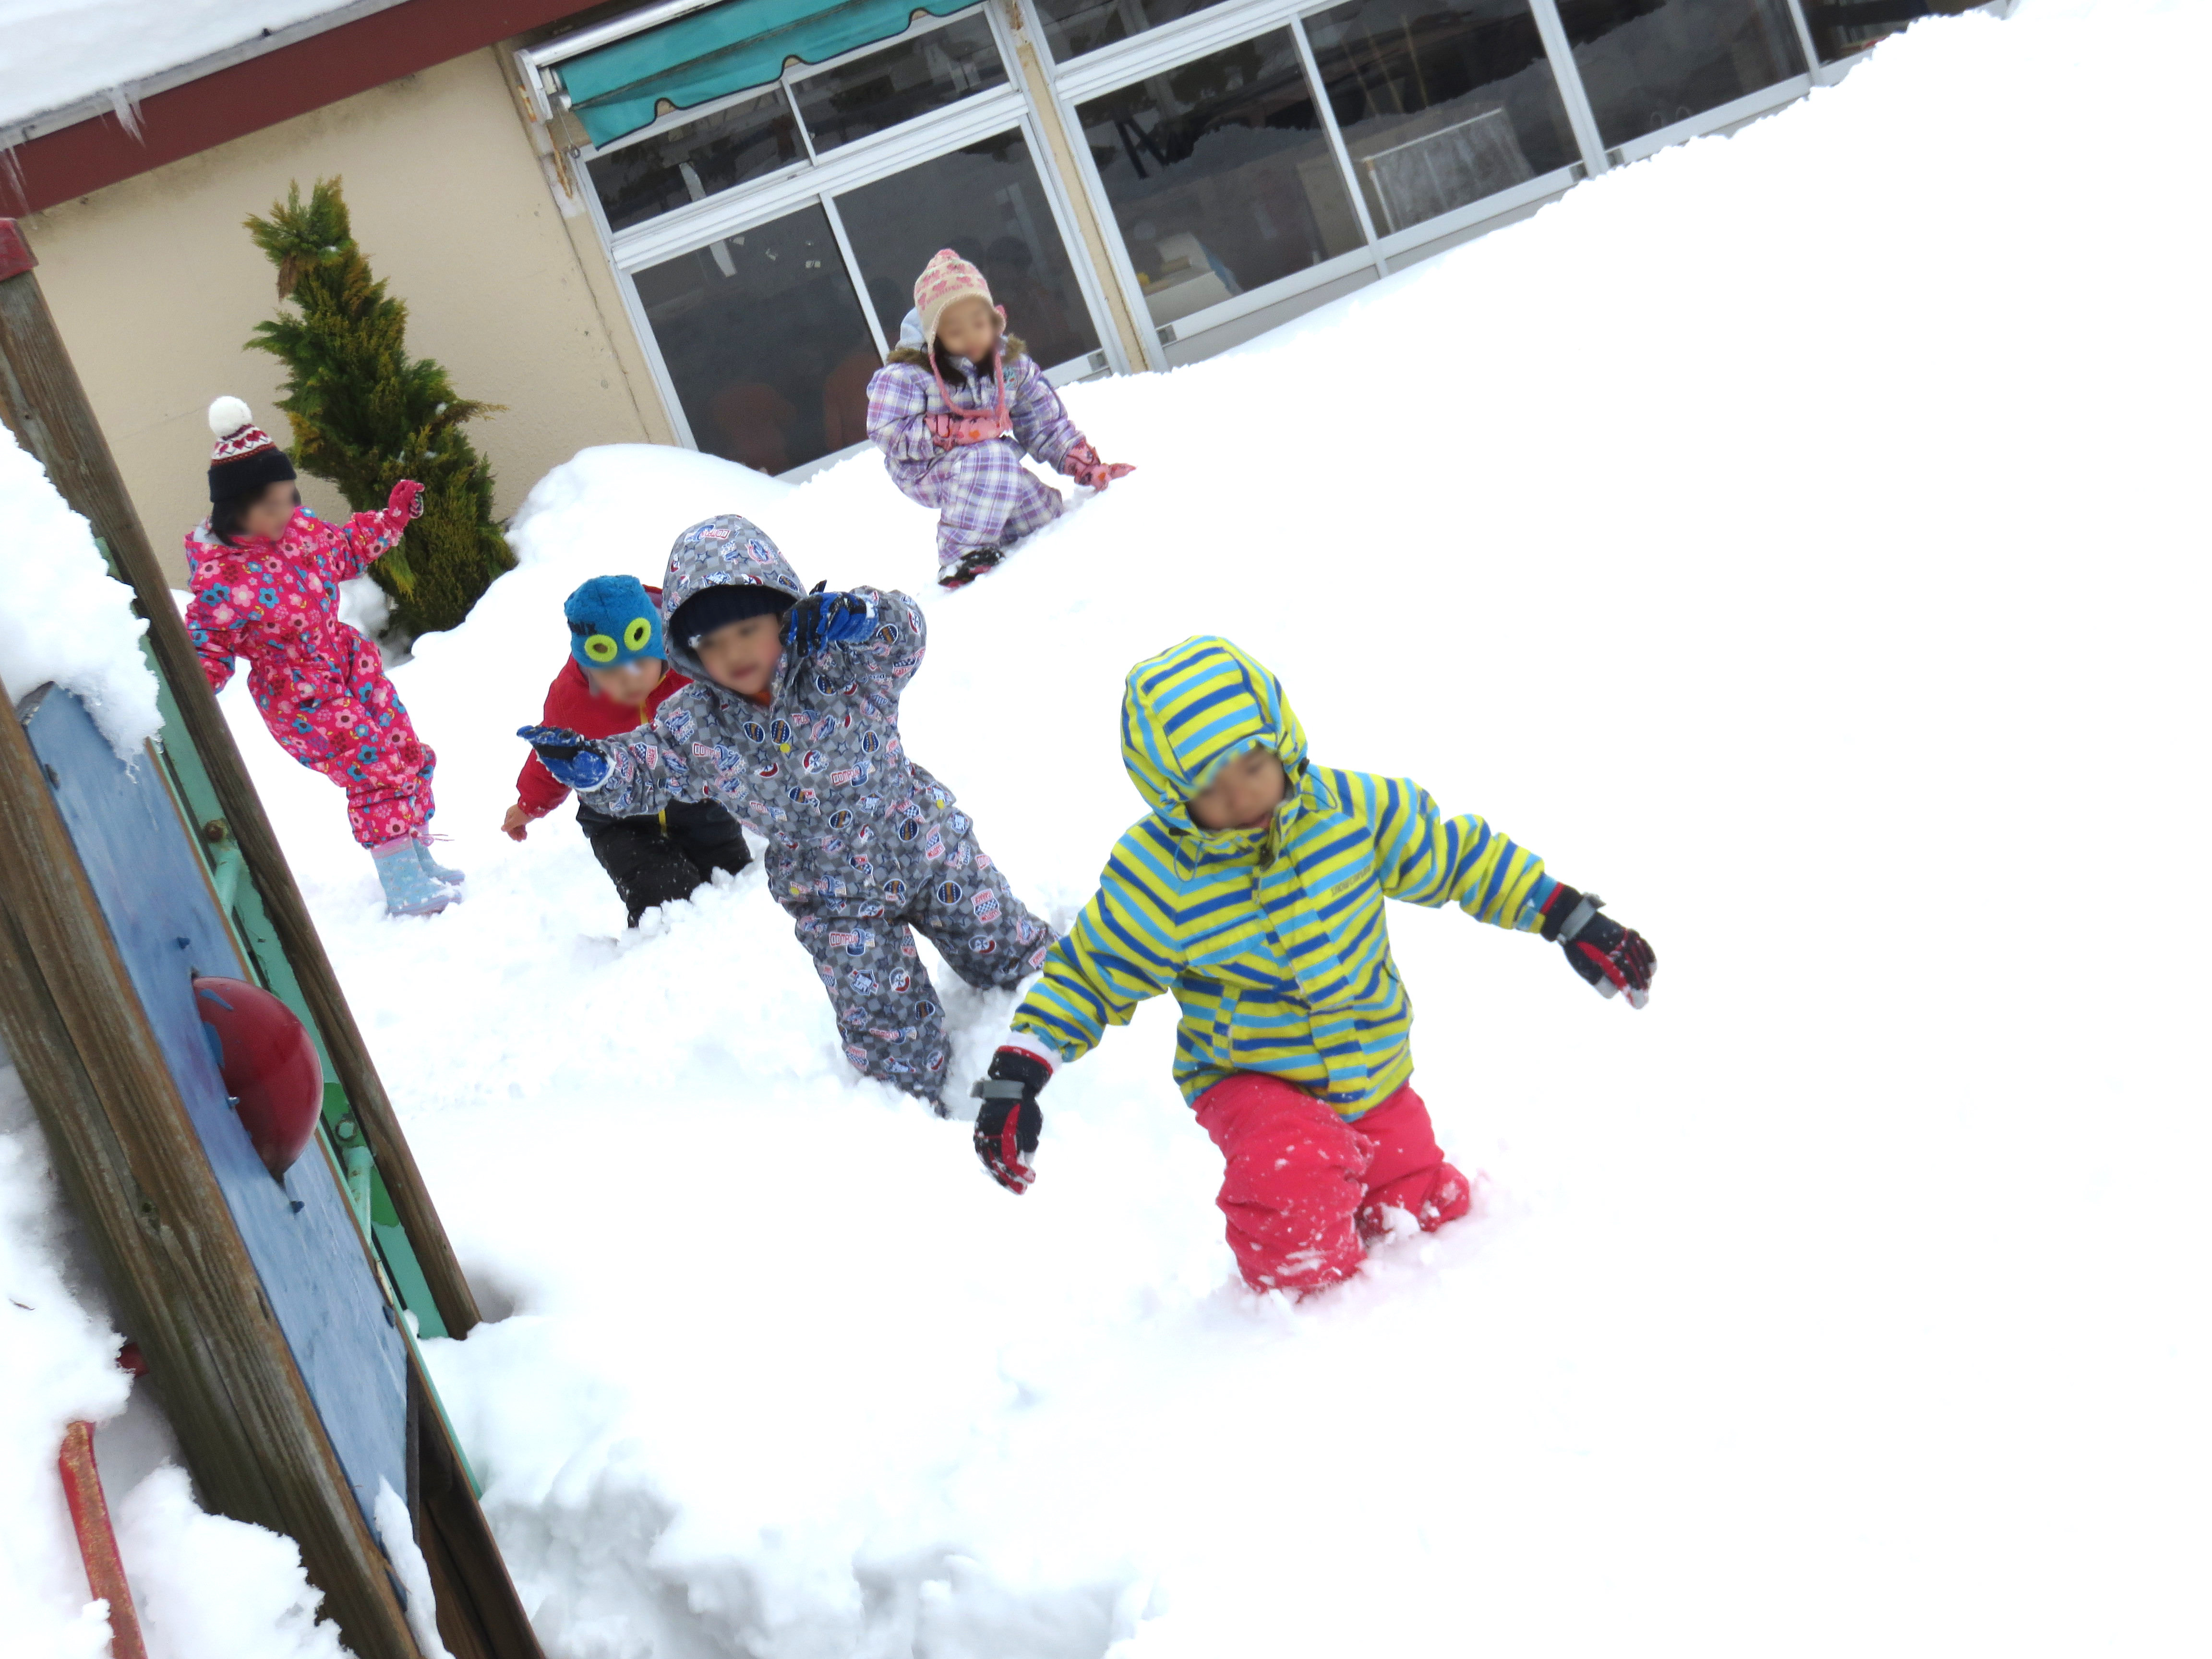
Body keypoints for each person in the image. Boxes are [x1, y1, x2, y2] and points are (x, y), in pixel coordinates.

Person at [964, 637, 1657, 1296]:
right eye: (1212, 788)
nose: (1242, 798)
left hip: (1372, 1063)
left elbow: (1456, 856)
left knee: (1419, 1205)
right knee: (1293, 1180)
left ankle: (1406, 1312)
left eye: (1254, 767)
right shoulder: (1163, 875)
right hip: (1250, 1075)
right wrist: (1021, 1074)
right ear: (1172, 795)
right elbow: (1092, 973)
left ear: (1283, 743)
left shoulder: (1349, 812)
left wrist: (1564, 914)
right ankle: (1287, 1313)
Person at [517, 515, 1054, 1108]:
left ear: (782, 612)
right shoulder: (696, 722)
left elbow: (906, 639)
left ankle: (1059, 1019)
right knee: (887, 1030)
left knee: (1006, 949)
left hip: (923, 842)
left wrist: (865, 618)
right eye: (711, 644)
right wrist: (598, 771)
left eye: (747, 630)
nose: (733, 653)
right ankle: (913, 1117)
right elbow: (651, 767)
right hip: (833, 897)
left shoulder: (842, 664)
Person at [183, 397, 453, 917]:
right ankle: (402, 883)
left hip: (348, 662)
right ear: (237, 509)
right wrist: (200, 679)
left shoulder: (300, 532)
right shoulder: (226, 577)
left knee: (403, 748)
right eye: (271, 505)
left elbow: (345, 549)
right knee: (373, 769)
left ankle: (420, 857)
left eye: (290, 498)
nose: (286, 512)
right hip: (299, 694)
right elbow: (208, 643)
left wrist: (392, 519)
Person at [866, 248, 1134, 590]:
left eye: (979, 324)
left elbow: (1045, 423)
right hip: (923, 467)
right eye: (955, 331)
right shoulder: (908, 375)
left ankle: (996, 533)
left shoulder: (1009, 366)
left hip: (987, 464)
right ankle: (961, 556)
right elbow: (886, 431)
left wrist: (1084, 464)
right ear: (934, 335)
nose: (972, 337)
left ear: (994, 318)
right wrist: (957, 432)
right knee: (992, 456)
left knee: (1042, 513)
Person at [504, 575, 753, 926]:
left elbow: (741, 705)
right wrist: (531, 804)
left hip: (697, 796)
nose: (629, 682)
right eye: (611, 675)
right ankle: (657, 955)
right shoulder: (571, 698)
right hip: (617, 818)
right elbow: (555, 756)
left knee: (736, 882)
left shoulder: (693, 667)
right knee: (664, 898)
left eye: (639, 667)